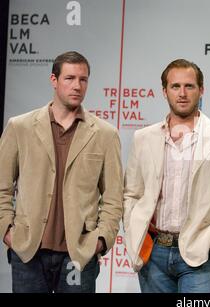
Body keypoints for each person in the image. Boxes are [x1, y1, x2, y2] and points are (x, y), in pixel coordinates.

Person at [0, 51, 123, 293]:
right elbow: (2, 186)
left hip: (78, 255)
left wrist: (100, 240)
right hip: (28, 252)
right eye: (69, 78)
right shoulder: (20, 127)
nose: (77, 86)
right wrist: (7, 232)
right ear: (53, 80)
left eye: (83, 79)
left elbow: (113, 197)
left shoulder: (105, 134)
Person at [123, 59, 210, 293]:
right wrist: (133, 229)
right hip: (154, 252)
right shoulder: (144, 138)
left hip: (199, 254)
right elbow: (132, 193)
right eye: (175, 86)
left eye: (189, 86)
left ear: (201, 90)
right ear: (164, 91)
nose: (182, 93)